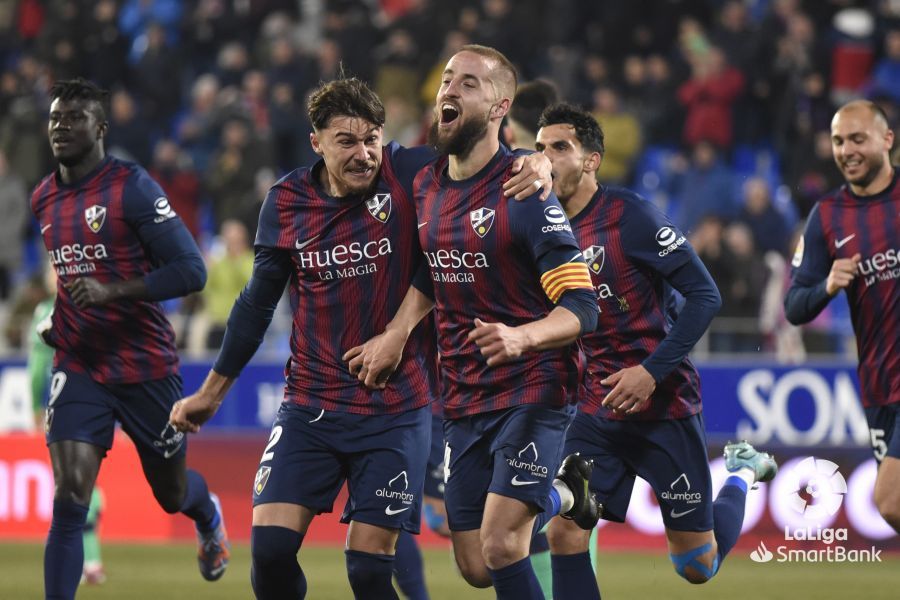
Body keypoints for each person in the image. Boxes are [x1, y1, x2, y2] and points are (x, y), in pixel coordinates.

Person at [168, 76, 553, 600]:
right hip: (310, 404)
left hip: (395, 409)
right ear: (316, 142)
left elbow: (483, 164)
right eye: (346, 141)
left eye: (372, 139)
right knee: (271, 553)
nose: (364, 154)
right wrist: (211, 394)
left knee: (369, 571)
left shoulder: (409, 172)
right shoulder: (286, 202)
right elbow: (255, 306)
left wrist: (534, 159)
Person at [345, 45, 601, 600]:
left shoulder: (525, 190)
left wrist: (522, 337)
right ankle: (566, 493)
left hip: (534, 387)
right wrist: (397, 332)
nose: (449, 90)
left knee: (502, 544)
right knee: (476, 566)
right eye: (446, 79)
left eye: (468, 83)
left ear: (500, 106)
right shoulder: (424, 181)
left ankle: (558, 495)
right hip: (464, 395)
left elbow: (583, 307)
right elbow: (431, 268)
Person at [535, 104, 778, 598]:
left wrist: (649, 372)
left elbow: (706, 296)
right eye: (540, 148)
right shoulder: (538, 228)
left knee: (696, 565)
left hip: (663, 404)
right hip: (596, 406)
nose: (546, 157)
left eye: (560, 147)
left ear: (591, 160)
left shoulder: (631, 217)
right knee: (564, 533)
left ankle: (741, 473)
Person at [31, 78, 228, 600]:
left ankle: (208, 515)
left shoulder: (130, 187)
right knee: (70, 497)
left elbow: (191, 271)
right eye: (54, 118)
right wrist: (60, 319)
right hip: (79, 362)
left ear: (100, 127)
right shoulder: (43, 197)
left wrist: (112, 292)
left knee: (172, 494)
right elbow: (70, 279)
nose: (60, 127)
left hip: (144, 365)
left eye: (73, 118)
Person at [785, 99, 900, 533]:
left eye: (857, 139)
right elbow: (794, 307)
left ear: (887, 140)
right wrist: (828, 286)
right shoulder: (827, 215)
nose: (847, 150)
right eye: (838, 141)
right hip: (879, 385)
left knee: (890, 500)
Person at [28, 265, 106, 586]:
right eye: (50, 270)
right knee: (81, 484)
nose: (53, 275)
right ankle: (91, 561)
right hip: (85, 402)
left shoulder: (50, 310)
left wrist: (36, 407)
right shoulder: (87, 304)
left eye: (55, 268)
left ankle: (88, 562)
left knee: (74, 486)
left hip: (75, 403)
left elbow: (38, 367)